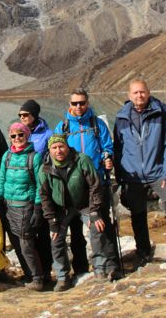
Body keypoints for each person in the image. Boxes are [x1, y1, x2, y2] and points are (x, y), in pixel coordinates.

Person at [113, 79, 166, 269]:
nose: (139, 96)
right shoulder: (121, 116)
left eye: (142, 92)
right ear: (129, 96)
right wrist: (121, 177)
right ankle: (143, 251)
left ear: (148, 92)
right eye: (135, 93)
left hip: (158, 172)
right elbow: (118, 148)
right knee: (137, 213)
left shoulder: (162, 112)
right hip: (133, 176)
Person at [38, 134, 119, 291]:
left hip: (84, 206)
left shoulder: (82, 159)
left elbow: (95, 186)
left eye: (61, 146)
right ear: (49, 150)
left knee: (98, 227)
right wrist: (52, 221)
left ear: (67, 147)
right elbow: (45, 196)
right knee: (56, 238)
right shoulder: (45, 168)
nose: (58, 150)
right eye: (54, 148)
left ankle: (99, 269)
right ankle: (62, 277)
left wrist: (95, 212)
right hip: (61, 210)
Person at [53, 88, 116, 277]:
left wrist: (108, 157)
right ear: (69, 104)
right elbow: (55, 152)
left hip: (96, 183)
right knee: (76, 231)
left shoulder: (97, 124)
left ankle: (109, 266)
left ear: (87, 103)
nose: (78, 107)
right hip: (72, 185)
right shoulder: (62, 127)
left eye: (82, 103)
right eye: (75, 103)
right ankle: (80, 268)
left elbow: (107, 146)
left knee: (102, 225)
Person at [0, 122, 44, 291]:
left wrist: (38, 207)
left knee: (26, 243)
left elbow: (40, 184)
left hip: (25, 206)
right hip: (8, 206)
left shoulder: (34, 157)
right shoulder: (7, 156)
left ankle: (38, 278)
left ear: (27, 136)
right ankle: (29, 274)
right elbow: (2, 179)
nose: (17, 139)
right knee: (16, 242)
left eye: (20, 135)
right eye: (13, 136)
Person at [17, 99, 53, 284]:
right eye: (20, 115)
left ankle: (46, 271)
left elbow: (52, 158)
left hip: (42, 187)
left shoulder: (47, 134)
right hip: (24, 189)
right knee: (27, 231)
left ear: (34, 115)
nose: (23, 118)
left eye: (26, 115)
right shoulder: (18, 133)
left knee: (43, 230)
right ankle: (33, 272)